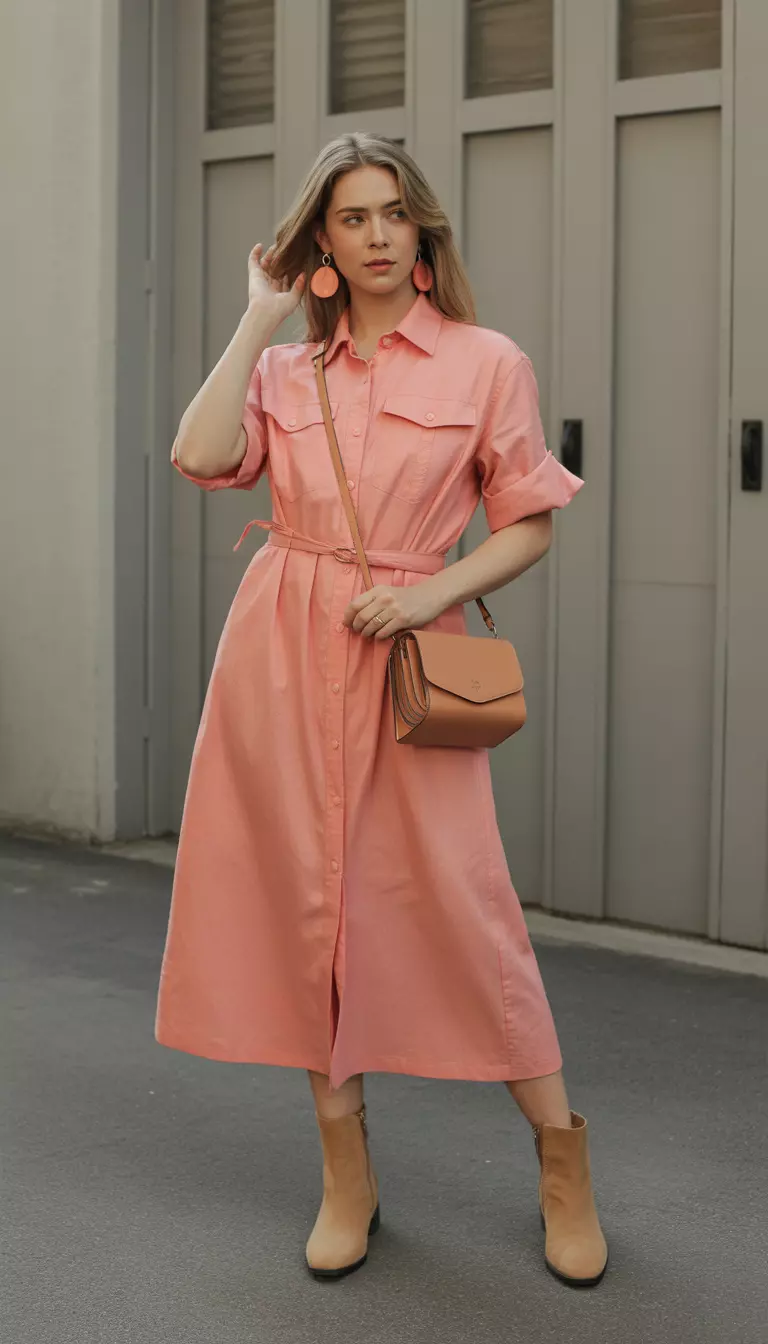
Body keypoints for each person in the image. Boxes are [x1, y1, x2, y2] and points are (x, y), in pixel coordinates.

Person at [155, 132, 607, 1289]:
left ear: (424, 229)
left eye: (393, 214)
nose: (375, 237)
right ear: (320, 241)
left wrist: (427, 595)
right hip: (275, 659)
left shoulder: (484, 362)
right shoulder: (283, 368)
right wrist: (257, 319)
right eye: (350, 219)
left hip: (404, 664)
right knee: (314, 913)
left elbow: (529, 519)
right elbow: (198, 454)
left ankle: (562, 1158)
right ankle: (344, 1172)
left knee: (465, 905)